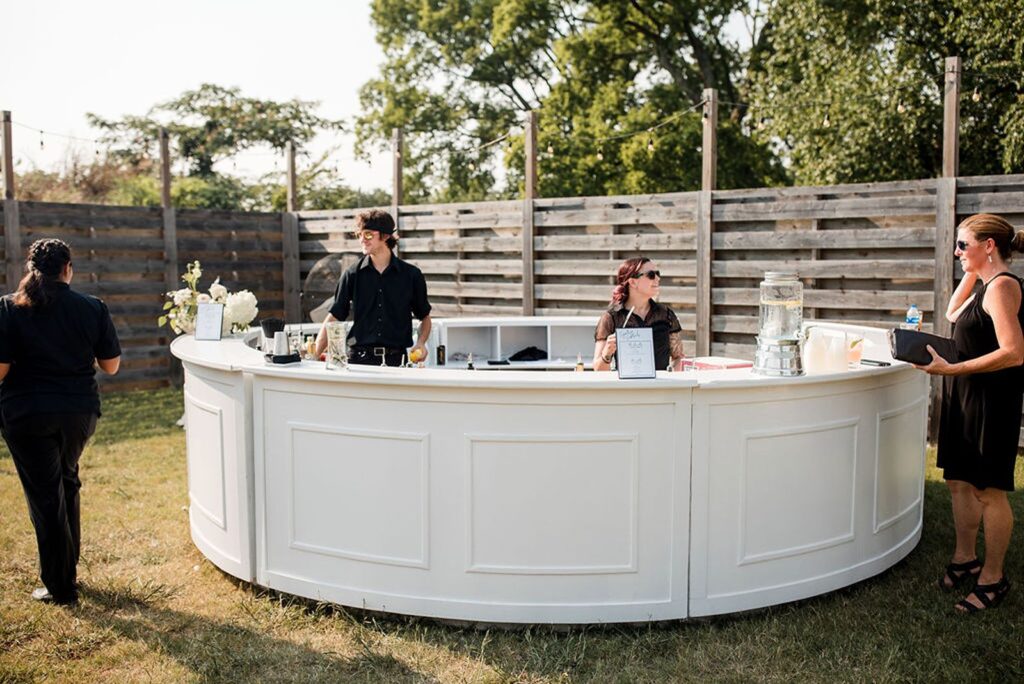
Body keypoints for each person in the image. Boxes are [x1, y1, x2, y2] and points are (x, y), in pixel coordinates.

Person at [0, 238, 121, 605]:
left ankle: (60, 587)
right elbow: (111, 367)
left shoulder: (8, 308)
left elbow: (1, 370)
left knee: (45, 497)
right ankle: (66, 572)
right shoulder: (92, 307)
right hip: (78, 415)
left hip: (27, 415)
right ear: (68, 268)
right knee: (66, 483)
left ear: (31, 269)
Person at [917, 213, 1024, 613]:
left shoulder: (1002, 288)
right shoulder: (984, 285)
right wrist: (973, 269)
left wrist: (951, 370)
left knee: (988, 491)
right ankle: (965, 559)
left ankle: (993, 579)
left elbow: (1014, 353)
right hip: (965, 396)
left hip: (991, 402)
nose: (956, 252)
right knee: (959, 482)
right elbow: (950, 312)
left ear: (989, 245)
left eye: (963, 245)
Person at [316, 209, 431, 366]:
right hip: (358, 360)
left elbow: (424, 317)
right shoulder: (352, 274)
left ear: (385, 236)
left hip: (397, 361)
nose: (362, 239)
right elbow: (334, 317)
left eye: (368, 234)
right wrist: (313, 356)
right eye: (359, 235)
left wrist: (421, 343)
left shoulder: (412, 275)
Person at [593, 256, 684, 371]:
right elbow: (598, 369)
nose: (657, 278)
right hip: (627, 388)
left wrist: (668, 376)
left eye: (658, 273)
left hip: (660, 387)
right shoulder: (611, 317)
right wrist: (606, 354)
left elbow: (678, 358)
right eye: (651, 275)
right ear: (633, 282)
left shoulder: (666, 314)